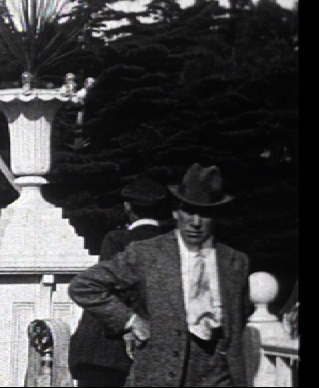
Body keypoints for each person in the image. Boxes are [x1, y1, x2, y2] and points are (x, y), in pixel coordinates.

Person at [69, 164, 249, 387]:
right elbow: (84, 286)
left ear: (216, 217)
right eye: (189, 211)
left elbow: (237, 328)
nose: (195, 222)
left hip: (215, 377)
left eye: (204, 213)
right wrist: (130, 321)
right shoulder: (149, 253)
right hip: (158, 374)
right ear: (176, 213)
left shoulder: (235, 262)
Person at [69, 178, 171, 387]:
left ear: (128, 207)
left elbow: (105, 287)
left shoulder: (117, 240)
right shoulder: (172, 245)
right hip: (153, 347)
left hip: (105, 350)